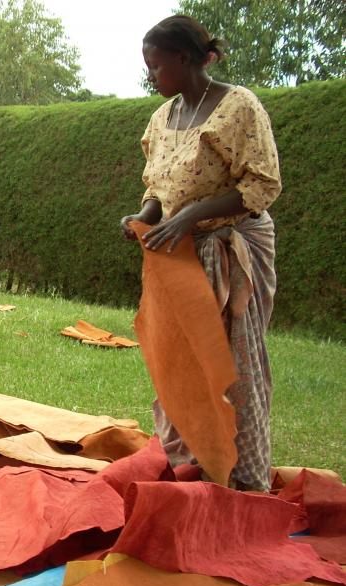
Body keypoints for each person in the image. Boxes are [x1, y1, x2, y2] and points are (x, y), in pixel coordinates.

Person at [120, 15, 281, 491]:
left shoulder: (238, 108)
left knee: (231, 363)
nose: (151, 75)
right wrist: (146, 216)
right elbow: (159, 186)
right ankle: (188, 465)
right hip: (182, 257)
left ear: (185, 59)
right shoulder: (163, 117)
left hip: (233, 251)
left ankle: (240, 478)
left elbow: (261, 185)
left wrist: (190, 217)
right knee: (181, 360)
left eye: (155, 66)